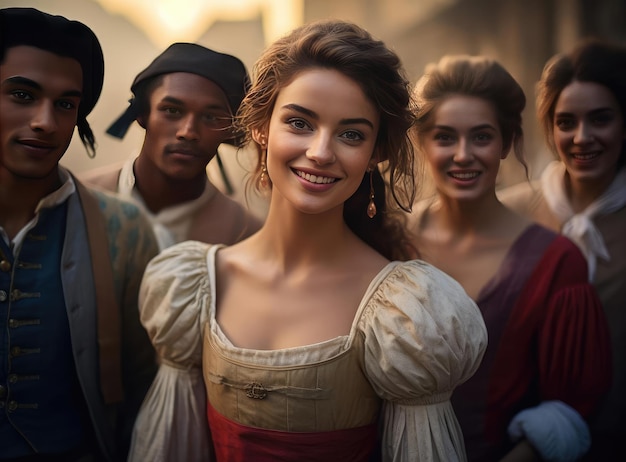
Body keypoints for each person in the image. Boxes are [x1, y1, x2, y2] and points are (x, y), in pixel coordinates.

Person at [129, 19, 488, 462]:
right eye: (299, 122)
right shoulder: (193, 285)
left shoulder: (407, 313)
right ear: (261, 126)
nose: (320, 151)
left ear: (376, 152)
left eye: (351, 134)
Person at [406, 55, 612, 462]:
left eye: (481, 137)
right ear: (422, 143)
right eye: (445, 137)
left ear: (506, 143)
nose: (463, 154)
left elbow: (571, 407)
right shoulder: (391, 243)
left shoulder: (556, 262)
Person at [0, 7, 159, 461]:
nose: (46, 122)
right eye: (22, 95)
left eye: (66, 104)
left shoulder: (122, 230)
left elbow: (143, 393)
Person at [499, 38, 626, 460]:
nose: (582, 137)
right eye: (566, 121)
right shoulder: (512, 209)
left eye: (601, 119)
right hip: (516, 440)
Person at [81, 42, 262, 250]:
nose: (188, 132)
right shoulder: (79, 199)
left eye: (211, 117)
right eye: (172, 111)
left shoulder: (245, 235)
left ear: (229, 129)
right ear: (142, 114)